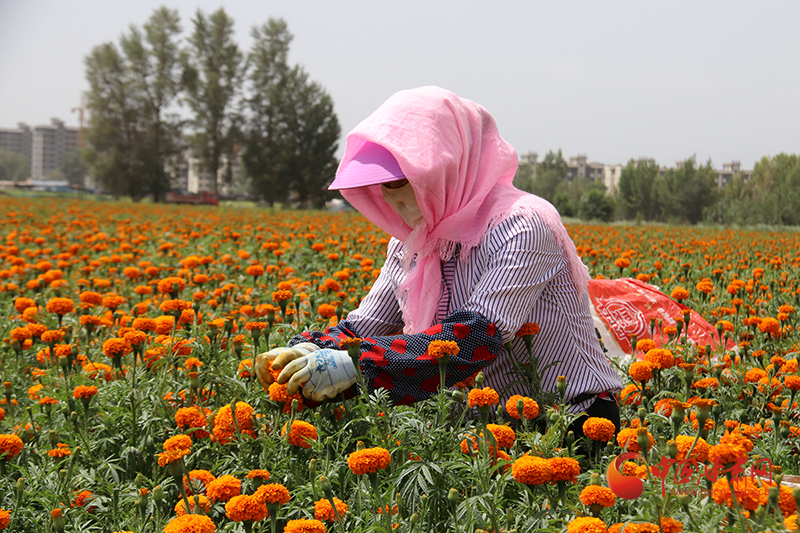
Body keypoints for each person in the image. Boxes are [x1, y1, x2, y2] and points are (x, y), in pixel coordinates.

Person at [255, 86, 622, 436]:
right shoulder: (412, 242)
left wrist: (356, 364)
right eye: (384, 184)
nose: (393, 201)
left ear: (448, 166)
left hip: (564, 417)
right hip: (477, 423)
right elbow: (367, 325)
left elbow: (476, 337)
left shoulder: (524, 225)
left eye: (405, 180)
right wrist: (308, 349)